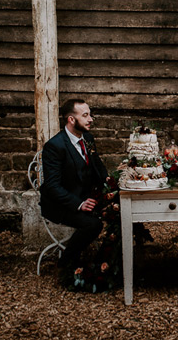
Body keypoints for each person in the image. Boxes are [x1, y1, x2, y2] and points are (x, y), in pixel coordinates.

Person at [40, 99, 109, 271]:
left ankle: (105, 262)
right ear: (71, 120)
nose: (90, 119)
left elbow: (98, 168)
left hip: (86, 196)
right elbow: (52, 186)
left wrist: (110, 186)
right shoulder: (54, 147)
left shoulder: (88, 138)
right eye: (85, 115)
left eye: (90, 114)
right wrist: (79, 204)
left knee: (120, 209)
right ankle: (67, 261)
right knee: (93, 224)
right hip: (62, 204)